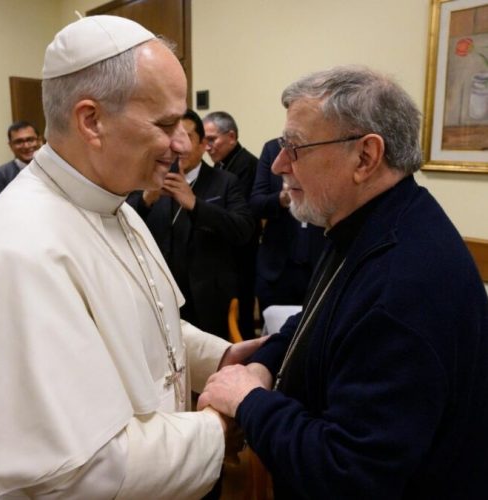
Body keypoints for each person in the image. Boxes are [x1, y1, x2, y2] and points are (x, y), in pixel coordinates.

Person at [0, 15, 264, 500]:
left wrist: (218, 356)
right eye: (166, 124)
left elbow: (144, 324)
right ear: (91, 121)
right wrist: (218, 427)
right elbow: (86, 470)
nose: (182, 144)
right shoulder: (18, 248)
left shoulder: (118, 202)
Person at [198, 66, 488, 499]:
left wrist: (250, 402)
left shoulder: (402, 284)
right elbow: (316, 317)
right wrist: (264, 363)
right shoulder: (364, 221)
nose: (278, 164)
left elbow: (348, 472)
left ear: (365, 157)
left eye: (294, 147)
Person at [128, 109, 255, 339]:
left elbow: (243, 230)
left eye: (185, 137)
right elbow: (123, 223)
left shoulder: (225, 181)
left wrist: (196, 204)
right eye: (170, 138)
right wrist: (146, 200)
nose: (176, 146)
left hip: (209, 299)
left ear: (202, 144)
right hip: (159, 297)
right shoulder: (147, 179)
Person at [251, 137, 326, 314]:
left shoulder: (327, 146)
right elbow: (255, 204)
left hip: (320, 266)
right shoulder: (272, 149)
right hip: (277, 270)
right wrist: (281, 199)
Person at [203, 111, 259, 339]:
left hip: (242, 254)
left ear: (232, 137)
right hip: (224, 255)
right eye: (204, 140)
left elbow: (242, 217)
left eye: (212, 139)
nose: (207, 147)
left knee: (241, 318)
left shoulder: (247, 166)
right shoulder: (220, 167)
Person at [0, 120, 40, 203]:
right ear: (10, 145)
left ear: (39, 141)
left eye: (30, 140)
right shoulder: (0, 175)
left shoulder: (52, 169)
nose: (26, 146)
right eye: (19, 142)